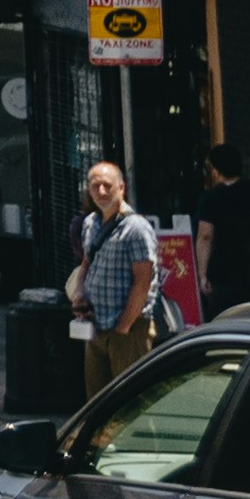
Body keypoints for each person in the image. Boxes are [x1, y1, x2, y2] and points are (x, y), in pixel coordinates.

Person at [69, 155, 161, 383]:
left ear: (121, 188)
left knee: (131, 402)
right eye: (95, 185)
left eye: (107, 186)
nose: (101, 191)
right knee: (99, 402)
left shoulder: (136, 228)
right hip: (95, 325)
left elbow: (143, 282)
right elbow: (87, 264)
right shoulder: (90, 223)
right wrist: (80, 292)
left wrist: (124, 326)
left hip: (128, 330)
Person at [199, 143, 250, 317]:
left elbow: (205, 236)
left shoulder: (211, 198)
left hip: (224, 274)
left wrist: (202, 275)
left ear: (216, 170)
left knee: (227, 321)